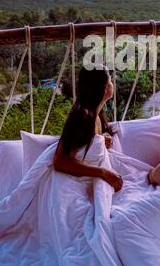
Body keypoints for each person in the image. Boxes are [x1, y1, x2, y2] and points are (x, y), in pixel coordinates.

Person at [53, 64, 123, 192]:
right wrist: (103, 173)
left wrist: (100, 140)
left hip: (86, 181)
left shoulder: (95, 113)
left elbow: (84, 143)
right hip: (69, 188)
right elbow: (60, 162)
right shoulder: (82, 116)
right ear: (104, 87)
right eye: (110, 80)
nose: (112, 84)